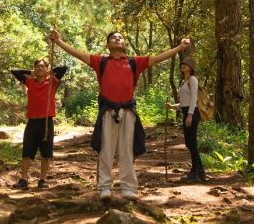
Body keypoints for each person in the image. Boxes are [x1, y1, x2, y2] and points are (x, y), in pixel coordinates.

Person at [50, 28, 191, 200]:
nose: (117, 39)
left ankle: (128, 188)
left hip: (128, 112)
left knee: (127, 151)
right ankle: (104, 188)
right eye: (113, 38)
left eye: (120, 37)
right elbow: (79, 54)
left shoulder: (134, 62)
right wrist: (59, 41)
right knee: (106, 150)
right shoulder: (100, 61)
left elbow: (158, 58)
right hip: (107, 112)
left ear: (124, 44)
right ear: (108, 45)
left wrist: (179, 47)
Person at [10, 59, 68, 189]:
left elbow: (63, 68)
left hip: (46, 122)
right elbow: (15, 72)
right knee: (26, 153)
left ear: (47, 69)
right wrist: (32, 72)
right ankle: (23, 179)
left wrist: (49, 73)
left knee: (46, 154)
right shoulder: (30, 82)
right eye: (37, 67)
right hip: (32, 122)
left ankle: (42, 180)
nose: (39, 68)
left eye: (42, 67)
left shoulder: (51, 82)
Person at [166, 56, 206, 182]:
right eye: (182, 64)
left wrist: (190, 115)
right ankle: (200, 171)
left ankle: (195, 172)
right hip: (186, 112)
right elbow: (184, 102)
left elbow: (194, 99)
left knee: (191, 143)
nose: (183, 65)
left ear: (191, 67)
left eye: (186, 64)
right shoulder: (184, 81)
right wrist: (172, 106)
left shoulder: (193, 79)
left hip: (192, 114)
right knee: (190, 143)